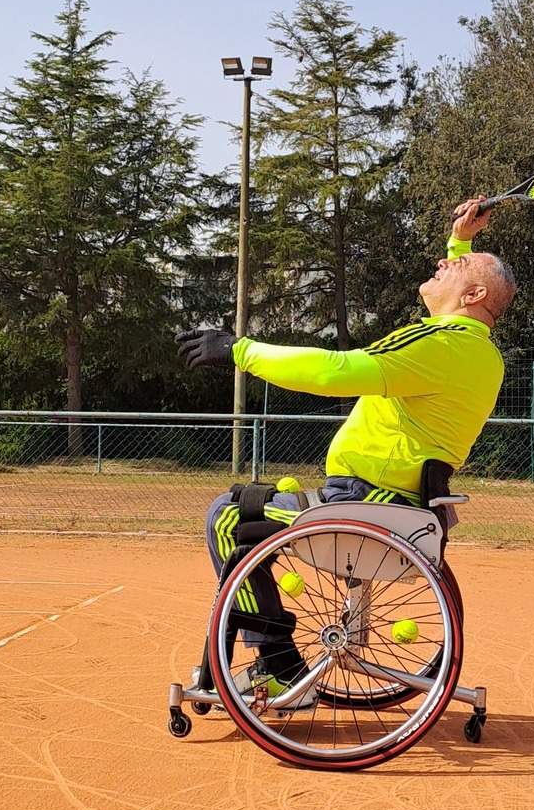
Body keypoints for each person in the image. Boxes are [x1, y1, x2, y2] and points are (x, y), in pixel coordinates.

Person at [176, 197, 515, 698]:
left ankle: (279, 666)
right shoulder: (478, 353)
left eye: (457, 265)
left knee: (226, 516)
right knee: (244, 510)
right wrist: (460, 242)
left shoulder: (439, 347)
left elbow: (334, 371)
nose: (443, 264)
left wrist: (239, 350)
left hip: (364, 504)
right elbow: (464, 290)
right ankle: (275, 662)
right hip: (399, 506)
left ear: (474, 294)